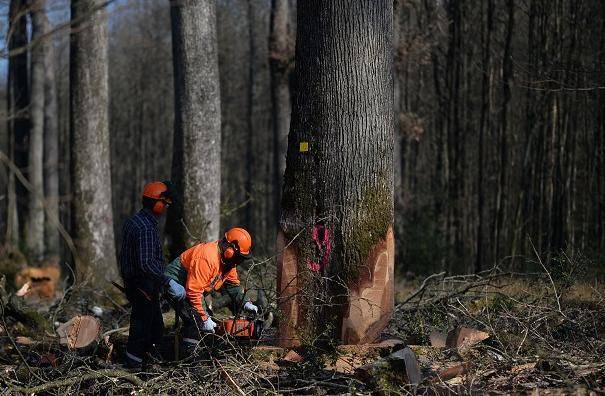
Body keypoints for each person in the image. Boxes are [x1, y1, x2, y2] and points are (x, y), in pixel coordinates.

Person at [118, 181, 186, 368]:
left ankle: (148, 366)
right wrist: (168, 281)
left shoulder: (134, 221)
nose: (165, 207)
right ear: (157, 202)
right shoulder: (146, 228)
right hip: (143, 286)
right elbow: (146, 263)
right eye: (164, 203)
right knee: (142, 331)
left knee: (155, 329)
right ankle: (132, 370)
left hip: (135, 284)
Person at [164, 227, 258, 346]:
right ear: (230, 250)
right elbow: (193, 290)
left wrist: (245, 303)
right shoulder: (207, 257)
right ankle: (190, 355)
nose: (238, 261)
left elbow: (233, 286)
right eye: (238, 257)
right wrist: (203, 318)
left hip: (194, 288)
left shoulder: (229, 263)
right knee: (196, 321)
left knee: (209, 320)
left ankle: (199, 347)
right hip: (176, 284)